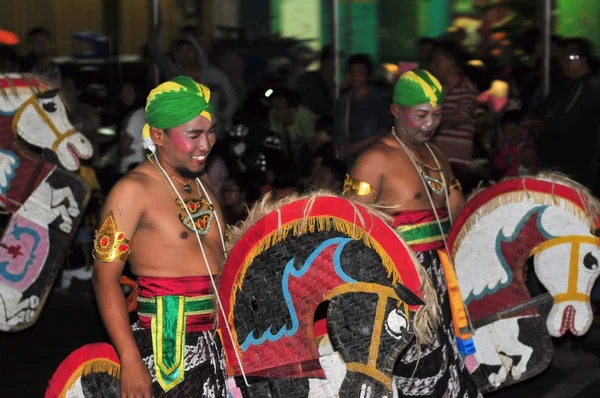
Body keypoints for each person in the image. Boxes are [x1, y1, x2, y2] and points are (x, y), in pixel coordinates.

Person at [344, 69, 481, 397]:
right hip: (402, 281)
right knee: (412, 363)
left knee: (449, 354)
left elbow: (457, 208)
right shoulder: (374, 159)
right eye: (420, 115)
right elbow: (349, 227)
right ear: (396, 111)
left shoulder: (437, 154)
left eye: (436, 114)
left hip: (442, 274)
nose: (429, 123)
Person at [92, 76, 228, 397]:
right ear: (158, 135)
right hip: (165, 348)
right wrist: (130, 360)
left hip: (220, 338)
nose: (205, 145)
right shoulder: (132, 191)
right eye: (193, 135)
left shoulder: (200, 178)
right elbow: (104, 280)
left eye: (210, 132)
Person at [428, 41, 478, 173]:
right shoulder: (435, 89)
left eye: (437, 61)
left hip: (455, 160)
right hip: (434, 157)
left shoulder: (466, 87)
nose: (433, 66)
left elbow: (462, 116)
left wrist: (430, 119)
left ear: (452, 62)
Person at [335, 54, 391, 166]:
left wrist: (355, 147)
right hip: (350, 160)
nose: (354, 76)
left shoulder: (379, 99)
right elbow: (339, 130)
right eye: (351, 72)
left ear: (368, 75)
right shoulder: (344, 100)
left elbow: (385, 130)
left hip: (375, 157)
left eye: (359, 72)